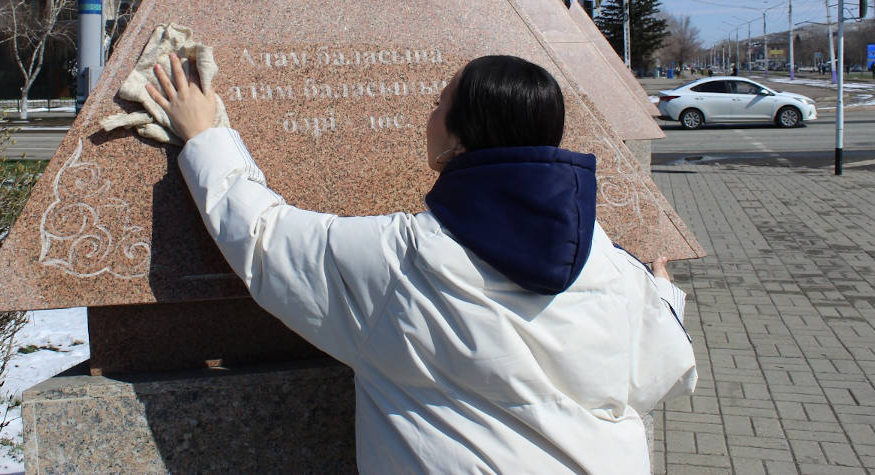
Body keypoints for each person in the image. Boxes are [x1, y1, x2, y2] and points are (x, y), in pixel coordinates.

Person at [147, 53, 697, 473]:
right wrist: (663, 299)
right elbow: (663, 371)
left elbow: (265, 239)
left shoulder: (402, 262)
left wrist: (204, 136)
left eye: (438, 102)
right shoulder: (609, 263)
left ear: (458, 138)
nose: (428, 113)